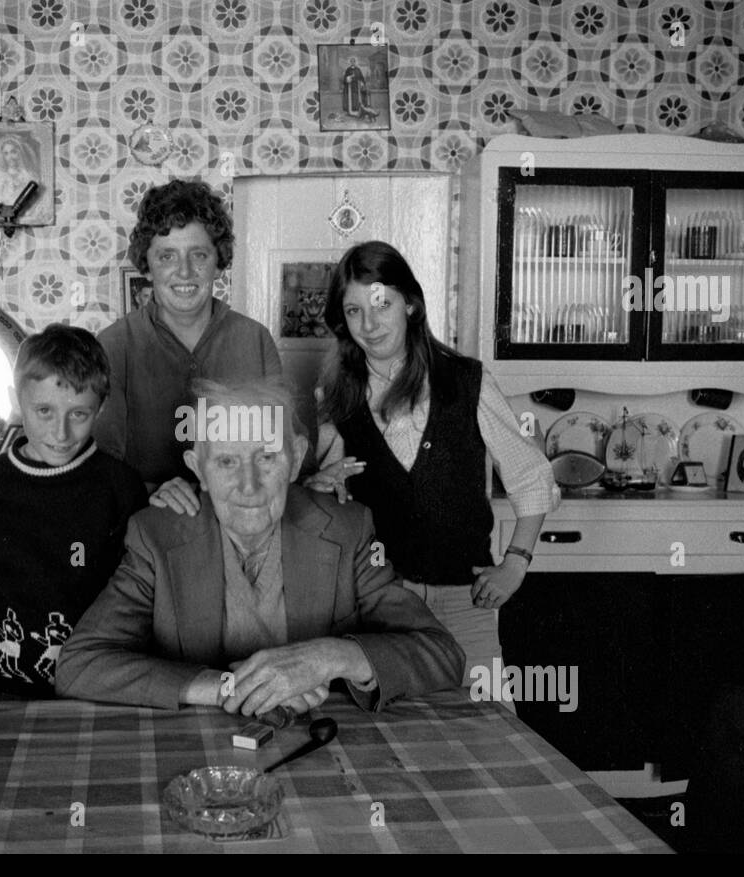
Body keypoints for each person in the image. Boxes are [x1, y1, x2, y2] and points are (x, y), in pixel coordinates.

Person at [55, 375, 465, 714]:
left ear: (296, 457)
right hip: (195, 756)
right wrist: (224, 688)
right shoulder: (156, 536)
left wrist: (329, 658)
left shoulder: (347, 528)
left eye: (267, 458)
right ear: (199, 469)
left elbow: (442, 654)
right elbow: (80, 664)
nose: (248, 486)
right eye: (227, 462)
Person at [305, 241, 559, 704]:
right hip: (382, 606)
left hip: (468, 602)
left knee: (491, 735)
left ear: (411, 303)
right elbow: (321, 501)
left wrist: (516, 563)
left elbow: (531, 476)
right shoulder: (336, 396)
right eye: (354, 310)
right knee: (396, 747)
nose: (370, 323)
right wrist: (317, 489)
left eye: (381, 303)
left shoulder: (465, 382)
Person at [0, 324, 147, 697]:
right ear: (16, 401)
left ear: (100, 408)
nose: (61, 432)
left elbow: (144, 583)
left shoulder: (120, 483)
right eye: (44, 410)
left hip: (101, 682)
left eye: (79, 414)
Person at [94, 178, 282, 497]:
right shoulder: (114, 344)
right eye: (167, 256)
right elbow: (99, 463)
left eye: (199, 255)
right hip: (146, 521)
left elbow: (279, 446)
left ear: (218, 264)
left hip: (239, 519)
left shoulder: (255, 339)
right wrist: (148, 492)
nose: (184, 272)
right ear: (148, 266)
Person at [0, 136, 36, 210]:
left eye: (13, 152)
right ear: (3, 156)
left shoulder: (28, 176)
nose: (10, 157)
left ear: (19, 153)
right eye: (6, 154)